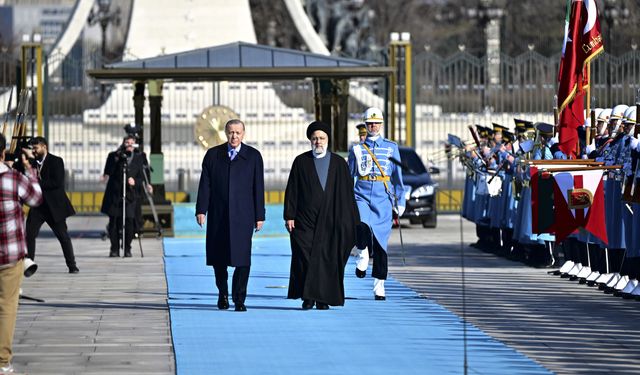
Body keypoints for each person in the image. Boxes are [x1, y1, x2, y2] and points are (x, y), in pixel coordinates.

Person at [284, 121, 359, 310]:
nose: (318, 142)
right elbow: (292, 190)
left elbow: (347, 196)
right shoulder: (301, 162)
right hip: (304, 221)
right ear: (310, 140)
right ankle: (308, 297)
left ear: (327, 140)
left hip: (330, 221)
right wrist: (289, 215)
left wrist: (351, 222)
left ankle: (322, 298)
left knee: (326, 259)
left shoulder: (339, 164)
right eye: (315, 138)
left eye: (322, 138)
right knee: (305, 258)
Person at [196, 119, 265, 312]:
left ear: (243, 134)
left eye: (238, 133)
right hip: (218, 214)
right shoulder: (213, 155)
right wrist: (201, 209)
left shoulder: (253, 156)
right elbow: (205, 185)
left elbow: (258, 188)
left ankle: (239, 298)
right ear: (225, 133)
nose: (234, 136)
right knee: (219, 259)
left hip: (244, 215)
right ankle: (223, 294)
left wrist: (260, 215)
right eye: (230, 132)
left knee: (243, 259)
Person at [348, 107, 405, 300]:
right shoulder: (356, 149)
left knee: (381, 244)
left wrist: (401, 200)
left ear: (381, 124)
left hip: (383, 197)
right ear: (365, 124)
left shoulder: (391, 147)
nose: (372, 126)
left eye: (376, 123)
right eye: (369, 123)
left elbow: (398, 177)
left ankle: (379, 285)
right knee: (361, 227)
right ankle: (362, 253)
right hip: (361, 194)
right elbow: (350, 176)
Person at [0, 134, 43, 374]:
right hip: (9, 254)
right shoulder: (13, 179)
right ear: (3, 152)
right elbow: (36, 198)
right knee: (6, 307)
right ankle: (2, 361)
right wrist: (29, 170)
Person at [25, 137, 79, 273]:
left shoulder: (56, 161)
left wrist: (36, 183)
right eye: (32, 148)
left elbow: (57, 182)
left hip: (54, 206)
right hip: (38, 206)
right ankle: (29, 264)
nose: (34, 151)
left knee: (63, 236)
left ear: (44, 147)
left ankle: (72, 265)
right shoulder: (30, 163)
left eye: (36, 148)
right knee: (30, 234)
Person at [101, 135, 151, 257]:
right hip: (115, 193)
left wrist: (135, 182)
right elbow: (108, 172)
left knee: (129, 221)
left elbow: (142, 177)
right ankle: (114, 248)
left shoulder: (139, 158)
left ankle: (127, 247)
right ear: (123, 143)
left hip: (130, 194)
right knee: (114, 221)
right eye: (127, 142)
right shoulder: (114, 156)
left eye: (131, 143)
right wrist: (117, 159)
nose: (129, 144)